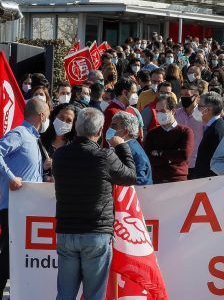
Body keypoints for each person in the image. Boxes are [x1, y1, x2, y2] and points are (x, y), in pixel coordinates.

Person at [52, 108, 136, 300]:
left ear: (76, 128)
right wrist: (122, 146)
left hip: (67, 232)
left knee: (64, 295)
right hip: (95, 233)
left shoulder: (60, 155)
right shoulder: (105, 156)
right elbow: (130, 176)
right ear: (99, 132)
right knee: (94, 296)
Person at [0, 98, 50, 293]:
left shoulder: (34, 139)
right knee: (8, 255)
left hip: (28, 208)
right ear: (42, 116)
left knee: (18, 255)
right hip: (13, 207)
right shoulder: (19, 134)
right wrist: (11, 177)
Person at [144, 95, 194, 183]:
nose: (159, 114)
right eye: (157, 111)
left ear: (173, 111)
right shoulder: (152, 134)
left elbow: (184, 155)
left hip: (178, 179)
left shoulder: (185, 132)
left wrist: (159, 153)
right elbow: (149, 158)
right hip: (157, 179)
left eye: (162, 111)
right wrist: (172, 156)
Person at [108, 111, 153, 185]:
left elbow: (140, 180)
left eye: (114, 126)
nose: (110, 129)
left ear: (125, 132)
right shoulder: (126, 146)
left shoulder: (131, 150)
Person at [192, 92, 224, 179]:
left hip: (211, 184)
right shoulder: (213, 127)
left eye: (199, 106)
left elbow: (218, 161)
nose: (196, 109)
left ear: (208, 109)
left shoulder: (217, 130)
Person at [41, 104, 76, 181]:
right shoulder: (40, 141)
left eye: (69, 120)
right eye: (61, 118)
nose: (64, 122)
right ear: (54, 117)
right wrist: (42, 169)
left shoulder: (75, 148)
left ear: (73, 124)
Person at [175, 83, 204, 177]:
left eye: (187, 95)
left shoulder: (203, 115)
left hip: (197, 162)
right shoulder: (176, 114)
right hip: (180, 162)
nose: (183, 98)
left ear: (196, 97)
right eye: (182, 95)